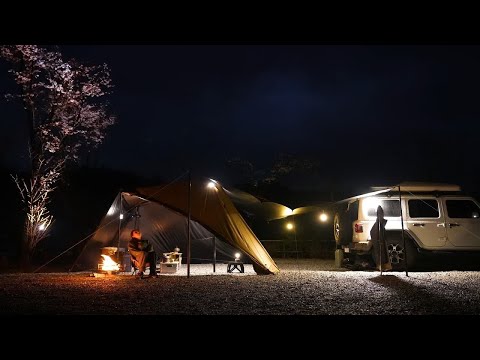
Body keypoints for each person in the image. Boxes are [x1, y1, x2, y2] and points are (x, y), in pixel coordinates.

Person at [370, 205, 392, 271]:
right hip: (379, 241)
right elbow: (374, 232)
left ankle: (384, 266)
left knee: (383, 253)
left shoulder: (380, 223)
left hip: (381, 240)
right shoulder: (378, 223)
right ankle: (381, 266)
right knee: (381, 253)